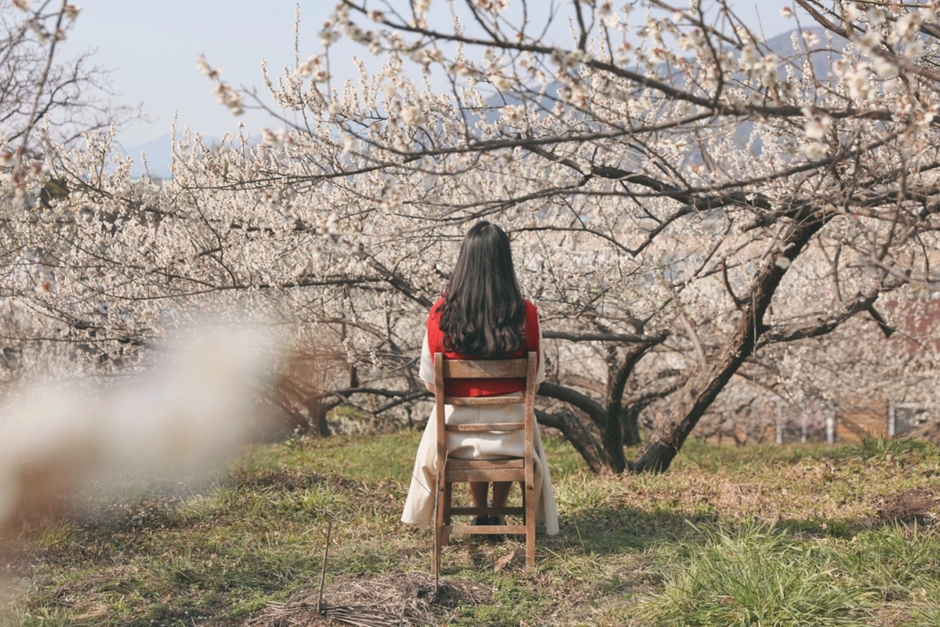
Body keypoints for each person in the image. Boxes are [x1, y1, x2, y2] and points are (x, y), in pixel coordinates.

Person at [401, 221, 559, 536]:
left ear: (465, 262)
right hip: (512, 439)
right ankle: (497, 514)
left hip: (455, 440)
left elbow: (432, 383)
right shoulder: (526, 314)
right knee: (509, 421)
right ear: (505, 262)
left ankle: (482, 513)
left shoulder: (440, 315)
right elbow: (536, 382)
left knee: (455, 418)